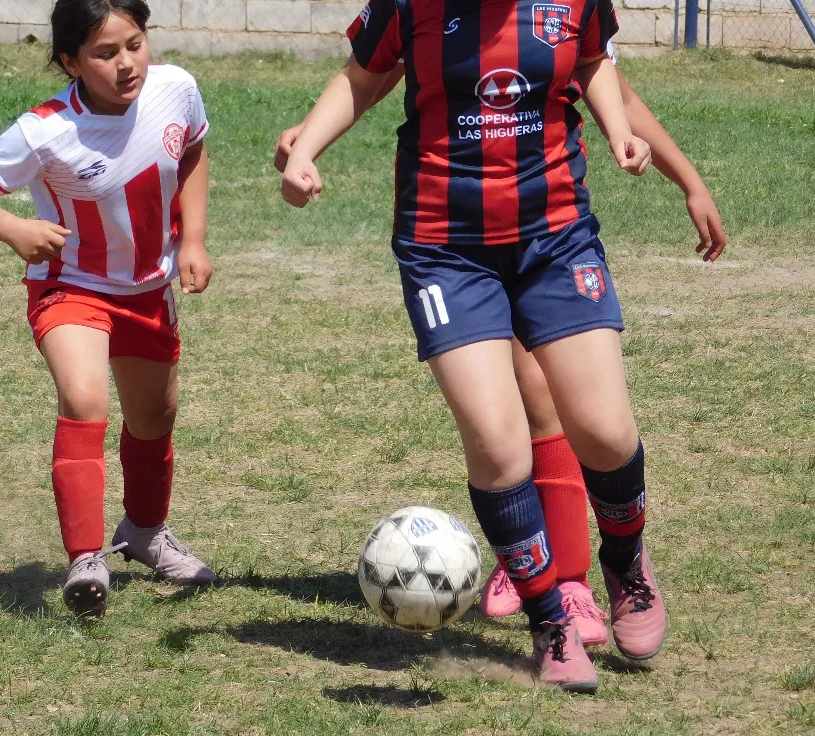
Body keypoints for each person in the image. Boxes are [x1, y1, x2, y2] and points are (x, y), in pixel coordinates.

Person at [279, 0, 666, 692]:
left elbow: (596, 61)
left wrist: (616, 131)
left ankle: (627, 567)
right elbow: (363, 77)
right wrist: (308, 149)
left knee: (603, 430)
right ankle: (549, 622)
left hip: (555, 232)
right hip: (444, 248)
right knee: (499, 448)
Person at [274, 60, 725, 648]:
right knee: (519, 409)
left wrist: (687, 178)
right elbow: (374, 73)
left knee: (573, 409)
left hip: (547, 227)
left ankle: (578, 578)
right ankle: (550, 583)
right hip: (459, 238)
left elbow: (616, 93)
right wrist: (311, 136)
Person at [0, 0, 218, 620]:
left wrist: (195, 239)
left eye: (135, 43)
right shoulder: (45, 131)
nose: (126, 63)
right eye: (104, 52)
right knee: (86, 398)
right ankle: (85, 560)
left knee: (154, 419)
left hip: (149, 288)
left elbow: (197, 147)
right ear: (71, 61)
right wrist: (15, 228)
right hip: (72, 287)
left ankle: (146, 534)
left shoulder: (175, 89)